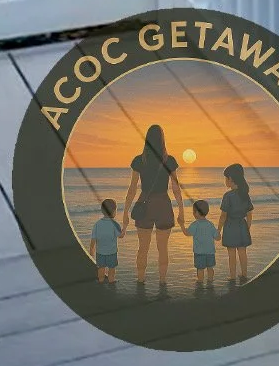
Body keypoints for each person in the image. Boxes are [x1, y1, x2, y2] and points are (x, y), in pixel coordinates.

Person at [121, 124, 185, 289]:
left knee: (143, 248)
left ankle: (140, 282)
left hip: (145, 204)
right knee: (162, 248)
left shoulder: (139, 160)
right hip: (163, 204)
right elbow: (176, 188)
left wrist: (126, 212)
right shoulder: (169, 160)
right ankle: (162, 283)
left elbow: (132, 188)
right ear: (163, 139)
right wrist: (181, 210)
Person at [219, 164, 253, 285]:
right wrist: (247, 227)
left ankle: (232, 277)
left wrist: (218, 230)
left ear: (231, 179)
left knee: (231, 253)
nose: (225, 181)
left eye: (226, 178)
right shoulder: (245, 194)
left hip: (230, 226)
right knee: (243, 252)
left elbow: (223, 215)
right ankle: (244, 274)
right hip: (242, 225)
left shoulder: (228, 196)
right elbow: (249, 213)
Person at [185, 200, 219, 289]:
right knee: (210, 268)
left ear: (196, 213)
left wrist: (181, 225)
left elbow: (187, 233)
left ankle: (200, 282)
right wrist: (218, 232)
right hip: (210, 252)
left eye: (193, 211)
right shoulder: (210, 224)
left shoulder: (195, 224)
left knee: (200, 269)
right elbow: (217, 237)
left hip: (199, 252)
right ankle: (210, 281)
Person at [89, 198, 120, 284]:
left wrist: (91, 251)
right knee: (111, 268)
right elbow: (120, 235)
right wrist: (124, 227)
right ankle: (111, 280)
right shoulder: (115, 224)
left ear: (102, 211)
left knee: (101, 268)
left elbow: (93, 239)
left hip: (100, 252)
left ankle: (101, 280)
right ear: (114, 211)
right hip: (112, 252)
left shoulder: (97, 224)